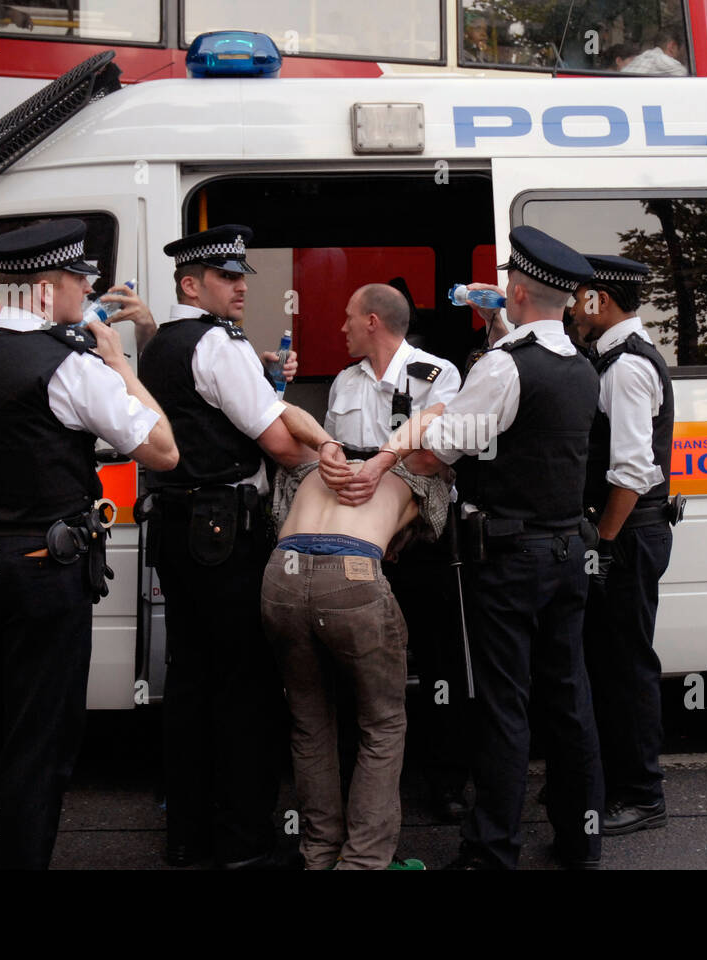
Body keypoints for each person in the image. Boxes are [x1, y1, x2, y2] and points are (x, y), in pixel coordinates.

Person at [0, 218, 178, 869]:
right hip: (46, 572)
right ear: (49, 287)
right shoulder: (72, 366)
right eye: (81, 279)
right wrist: (121, 365)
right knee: (39, 741)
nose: (87, 291)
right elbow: (164, 450)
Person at [357, 226, 606, 870]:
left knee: (502, 704)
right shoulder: (579, 363)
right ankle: (582, 839)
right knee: (569, 697)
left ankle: (493, 849)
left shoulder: (502, 366)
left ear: (516, 291)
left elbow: (438, 455)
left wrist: (405, 443)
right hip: (566, 551)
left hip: (509, 557)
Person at [136, 223, 317, 869]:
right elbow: (277, 444)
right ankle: (243, 843)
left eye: (243, 274)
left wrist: (263, 378)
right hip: (225, 532)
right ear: (192, 283)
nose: (241, 285)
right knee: (243, 686)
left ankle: (188, 838)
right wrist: (323, 456)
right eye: (226, 276)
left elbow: (208, 414)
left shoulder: (162, 344)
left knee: (190, 682)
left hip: (179, 527)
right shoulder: (218, 343)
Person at [262, 427, 451, 869]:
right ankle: (363, 862)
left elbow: (275, 418)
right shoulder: (420, 468)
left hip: (281, 573)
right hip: (352, 572)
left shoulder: (314, 462)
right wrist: (390, 460)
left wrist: (323, 440)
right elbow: (440, 412)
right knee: (382, 725)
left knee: (310, 725)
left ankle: (319, 855)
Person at [324, 283, 468, 821]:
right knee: (357, 657)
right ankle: (360, 780)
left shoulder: (438, 374)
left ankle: (447, 780)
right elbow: (338, 451)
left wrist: (389, 509)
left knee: (439, 662)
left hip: (421, 538)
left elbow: (437, 455)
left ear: (373, 323)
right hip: (360, 538)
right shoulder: (343, 382)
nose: (340, 327)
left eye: (347, 316)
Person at [572, 254, 675, 835]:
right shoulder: (613, 358)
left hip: (627, 538)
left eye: (582, 297)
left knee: (627, 667)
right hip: (625, 536)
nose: (575, 307)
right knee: (607, 665)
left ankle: (641, 795)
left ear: (602, 302)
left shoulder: (628, 368)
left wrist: (603, 545)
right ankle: (612, 784)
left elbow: (634, 471)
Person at [619, 29, 688, 77]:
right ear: (672, 46)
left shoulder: (642, 57)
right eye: (685, 49)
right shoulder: (662, 59)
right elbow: (685, 74)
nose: (686, 55)